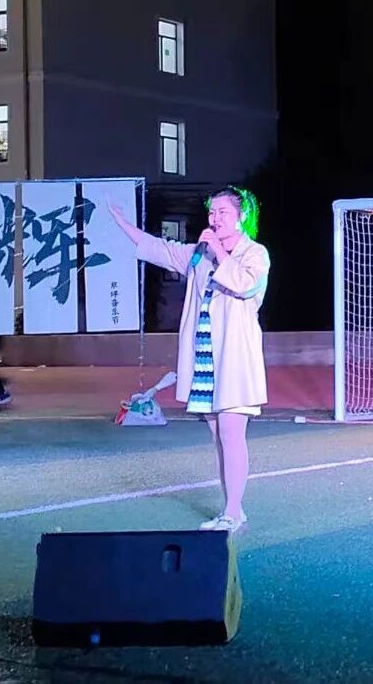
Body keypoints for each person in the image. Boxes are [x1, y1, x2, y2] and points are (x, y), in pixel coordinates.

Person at [109, 187, 269, 533]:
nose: (215, 219)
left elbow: (244, 284)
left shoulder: (255, 254)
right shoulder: (200, 254)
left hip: (236, 360)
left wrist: (218, 251)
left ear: (241, 217)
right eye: (212, 212)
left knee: (231, 432)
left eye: (223, 212)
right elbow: (160, 249)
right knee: (218, 437)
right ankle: (234, 508)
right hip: (206, 360)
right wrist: (122, 223)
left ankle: (232, 512)